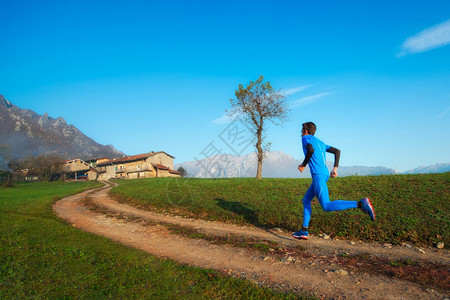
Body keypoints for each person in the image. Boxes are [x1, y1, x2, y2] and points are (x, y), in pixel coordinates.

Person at [292, 122, 375, 240]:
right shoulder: (321, 143)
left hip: (318, 175)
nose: (301, 132)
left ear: (305, 131)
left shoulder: (306, 138)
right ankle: (304, 231)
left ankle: (361, 204)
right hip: (324, 174)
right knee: (306, 200)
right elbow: (337, 151)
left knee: (326, 205)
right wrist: (335, 168)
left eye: (302, 130)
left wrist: (303, 164)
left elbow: (310, 150)